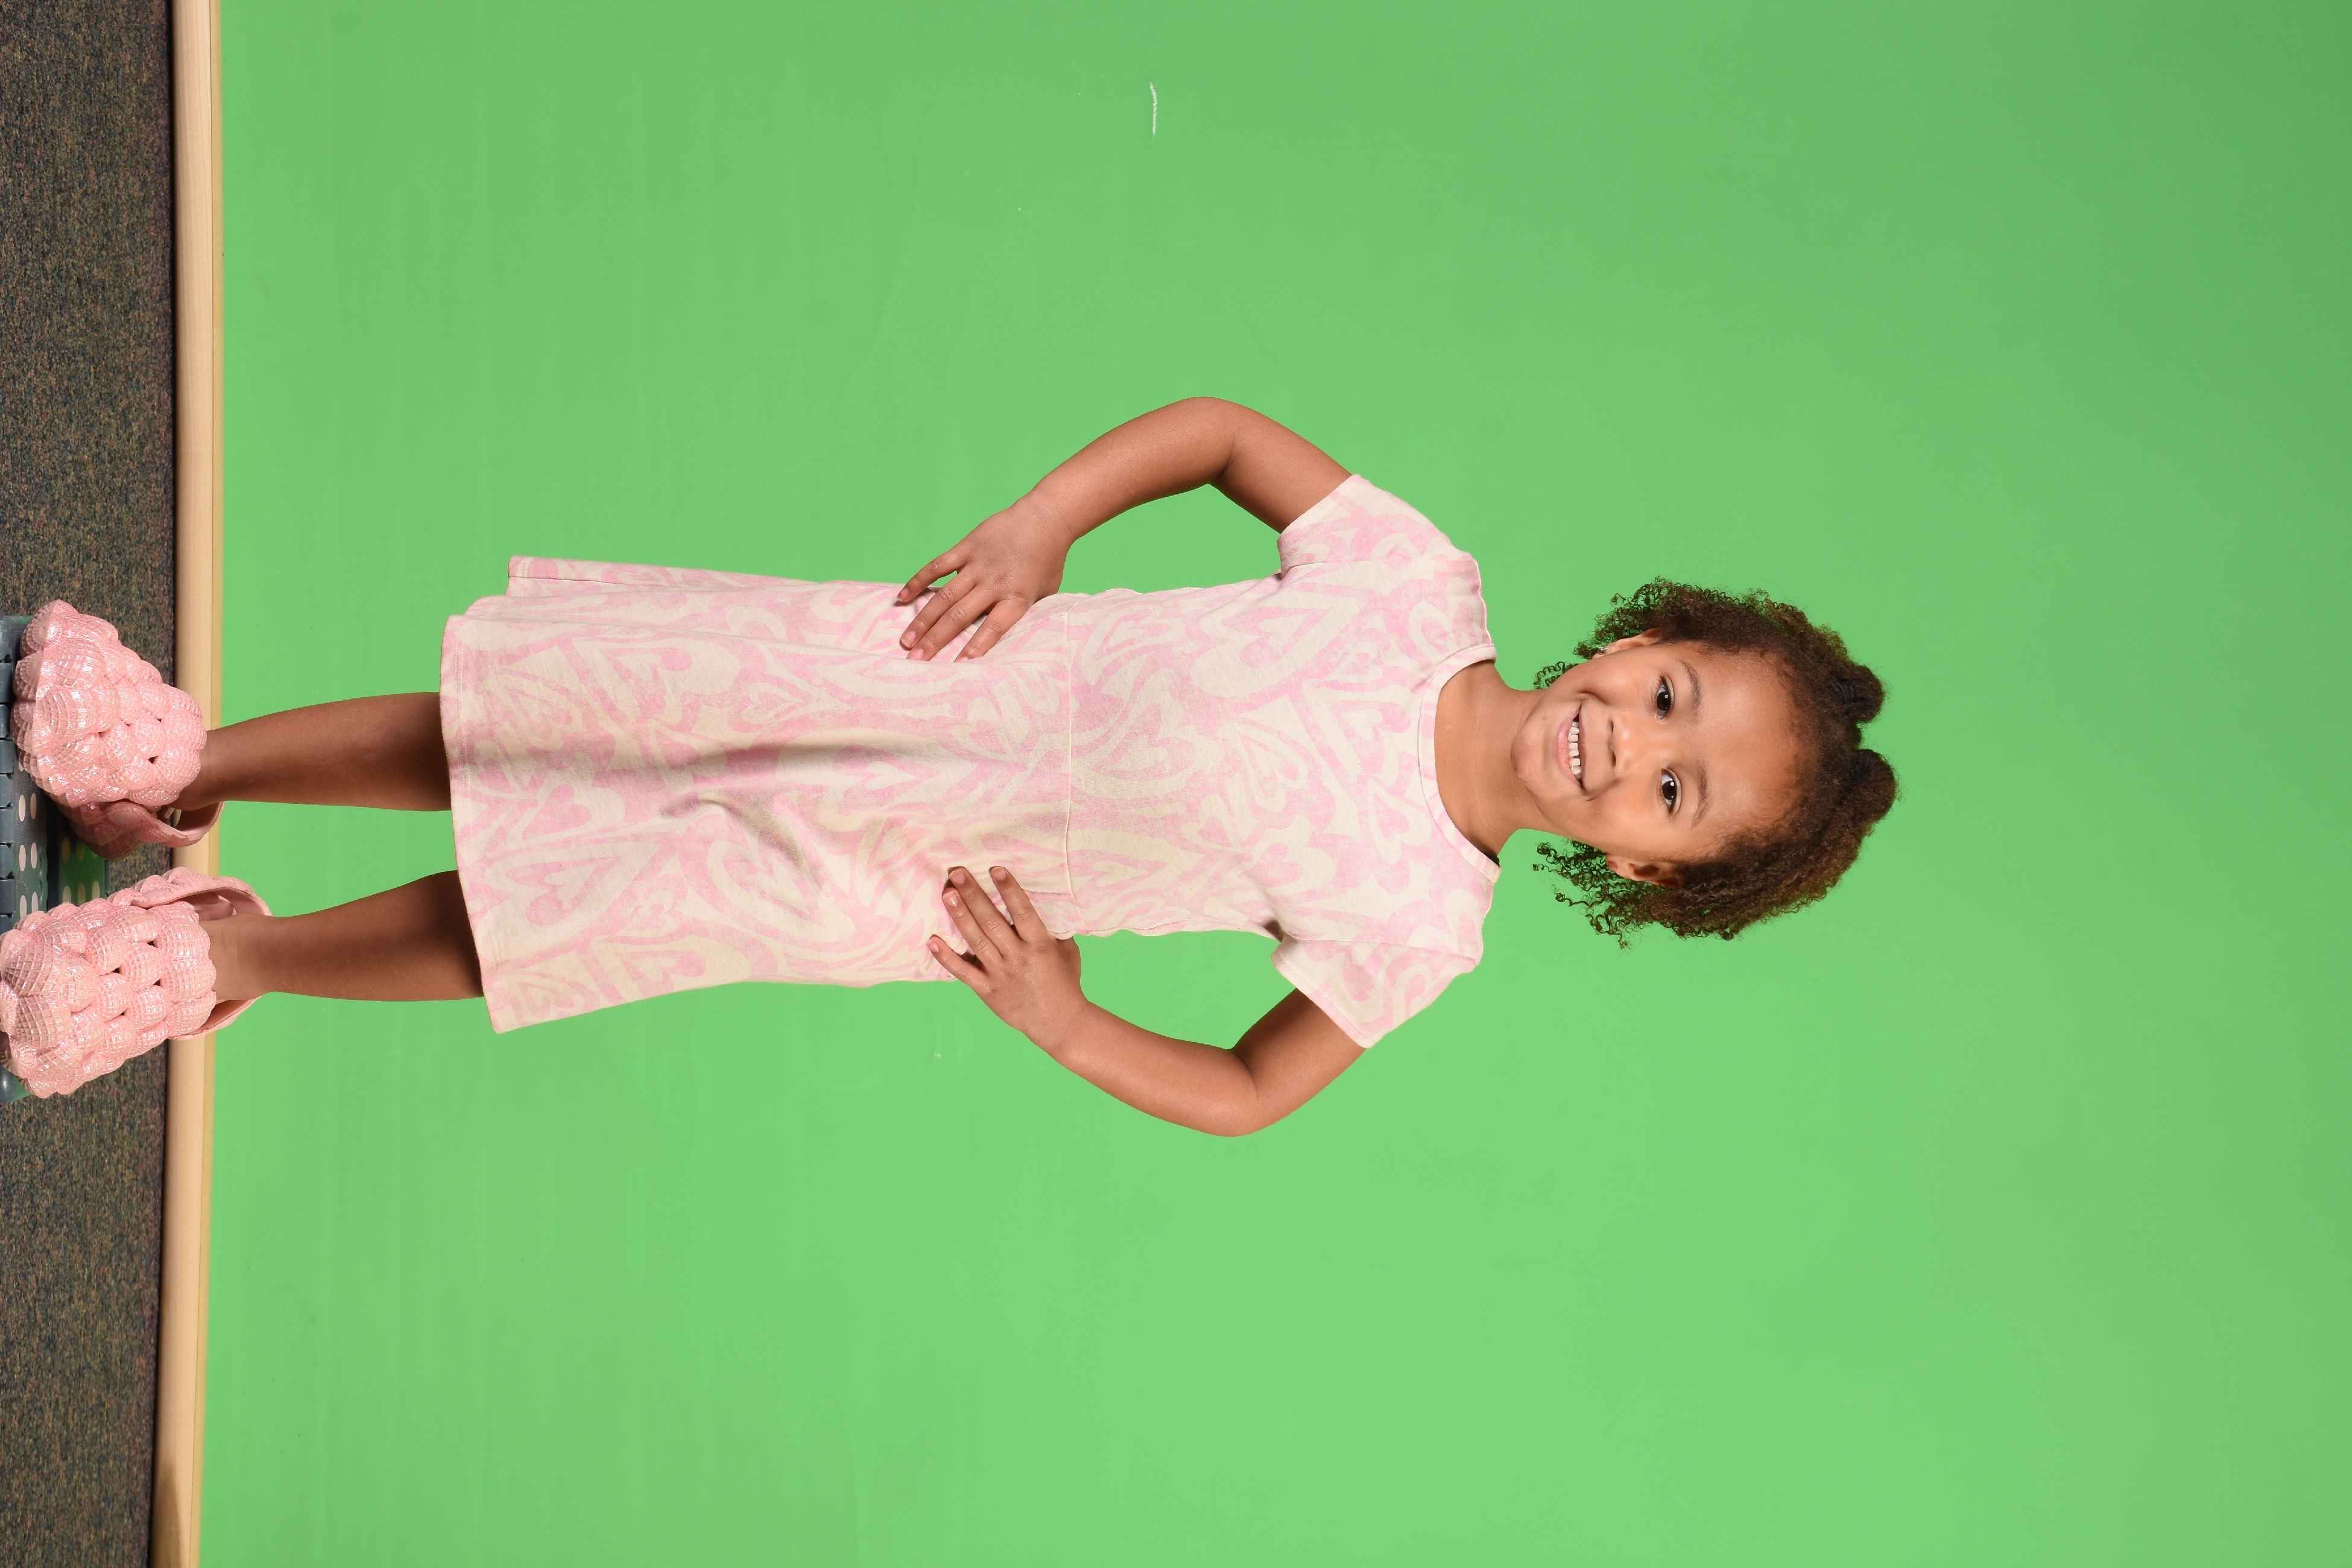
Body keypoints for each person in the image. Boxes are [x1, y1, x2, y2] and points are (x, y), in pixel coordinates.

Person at [0, 399, 1896, 1128]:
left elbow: (1254, 1089)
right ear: (1639, 635)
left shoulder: (1425, 927)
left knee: (559, 907)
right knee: (545, 715)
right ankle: (195, 761)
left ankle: (237, 954)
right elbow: (1225, 434)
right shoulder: (1418, 583)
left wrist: (1068, 1024)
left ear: (1642, 870)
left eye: (1672, 792)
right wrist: (1043, 524)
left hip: (901, 885)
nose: (1630, 744)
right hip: (917, 671)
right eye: (1669, 694)